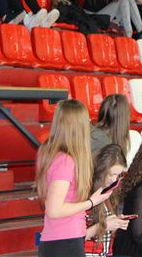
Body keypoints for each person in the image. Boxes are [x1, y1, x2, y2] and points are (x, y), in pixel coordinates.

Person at [36, 99, 113, 257]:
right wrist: (91, 202)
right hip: (65, 241)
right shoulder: (65, 160)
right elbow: (54, 209)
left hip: (63, 240)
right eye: (86, 120)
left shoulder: (54, 155)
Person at [85, 144, 131, 257]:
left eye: (118, 175)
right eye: (111, 174)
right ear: (101, 170)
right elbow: (73, 238)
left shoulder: (109, 193)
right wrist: (104, 226)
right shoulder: (85, 194)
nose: (114, 179)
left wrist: (115, 222)